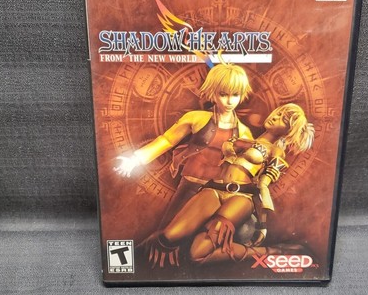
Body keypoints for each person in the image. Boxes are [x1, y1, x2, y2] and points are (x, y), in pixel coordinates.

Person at [141, 103, 315, 267]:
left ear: (289, 131)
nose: (276, 117)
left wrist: (262, 226)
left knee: (197, 253)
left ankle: (271, 252)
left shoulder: (276, 151)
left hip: (241, 197)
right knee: (168, 237)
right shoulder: (245, 137)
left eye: (283, 119)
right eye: (279, 113)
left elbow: (263, 187)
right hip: (214, 188)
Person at [115, 62, 254, 226]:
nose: (230, 101)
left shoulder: (243, 132)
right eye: (223, 94)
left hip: (216, 192)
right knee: (167, 229)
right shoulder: (196, 118)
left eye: (235, 94)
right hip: (190, 184)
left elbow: (246, 171)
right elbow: (167, 140)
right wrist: (135, 160)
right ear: (213, 92)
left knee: (200, 237)